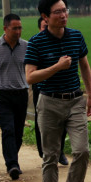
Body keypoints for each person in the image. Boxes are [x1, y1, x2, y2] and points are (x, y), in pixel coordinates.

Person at [24, 0, 91, 182]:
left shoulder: (76, 36)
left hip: (75, 101)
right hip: (49, 102)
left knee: (82, 151)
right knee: (51, 156)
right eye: (58, 12)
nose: (63, 15)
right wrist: (56, 67)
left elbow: (84, 66)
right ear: (45, 17)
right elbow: (30, 77)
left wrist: (90, 95)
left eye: (65, 10)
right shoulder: (36, 42)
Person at [0, 13, 29, 180]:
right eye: (14, 28)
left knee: (18, 132)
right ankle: (12, 165)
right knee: (8, 129)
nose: (18, 31)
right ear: (5, 28)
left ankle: (12, 158)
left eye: (20, 28)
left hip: (21, 93)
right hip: (2, 94)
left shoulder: (26, 46)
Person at [32, 16, 69, 166]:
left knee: (64, 120)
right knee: (41, 120)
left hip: (61, 87)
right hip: (41, 88)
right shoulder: (36, 44)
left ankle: (60, 151)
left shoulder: (62, 42)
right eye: (43, 27)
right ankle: (44, 151)